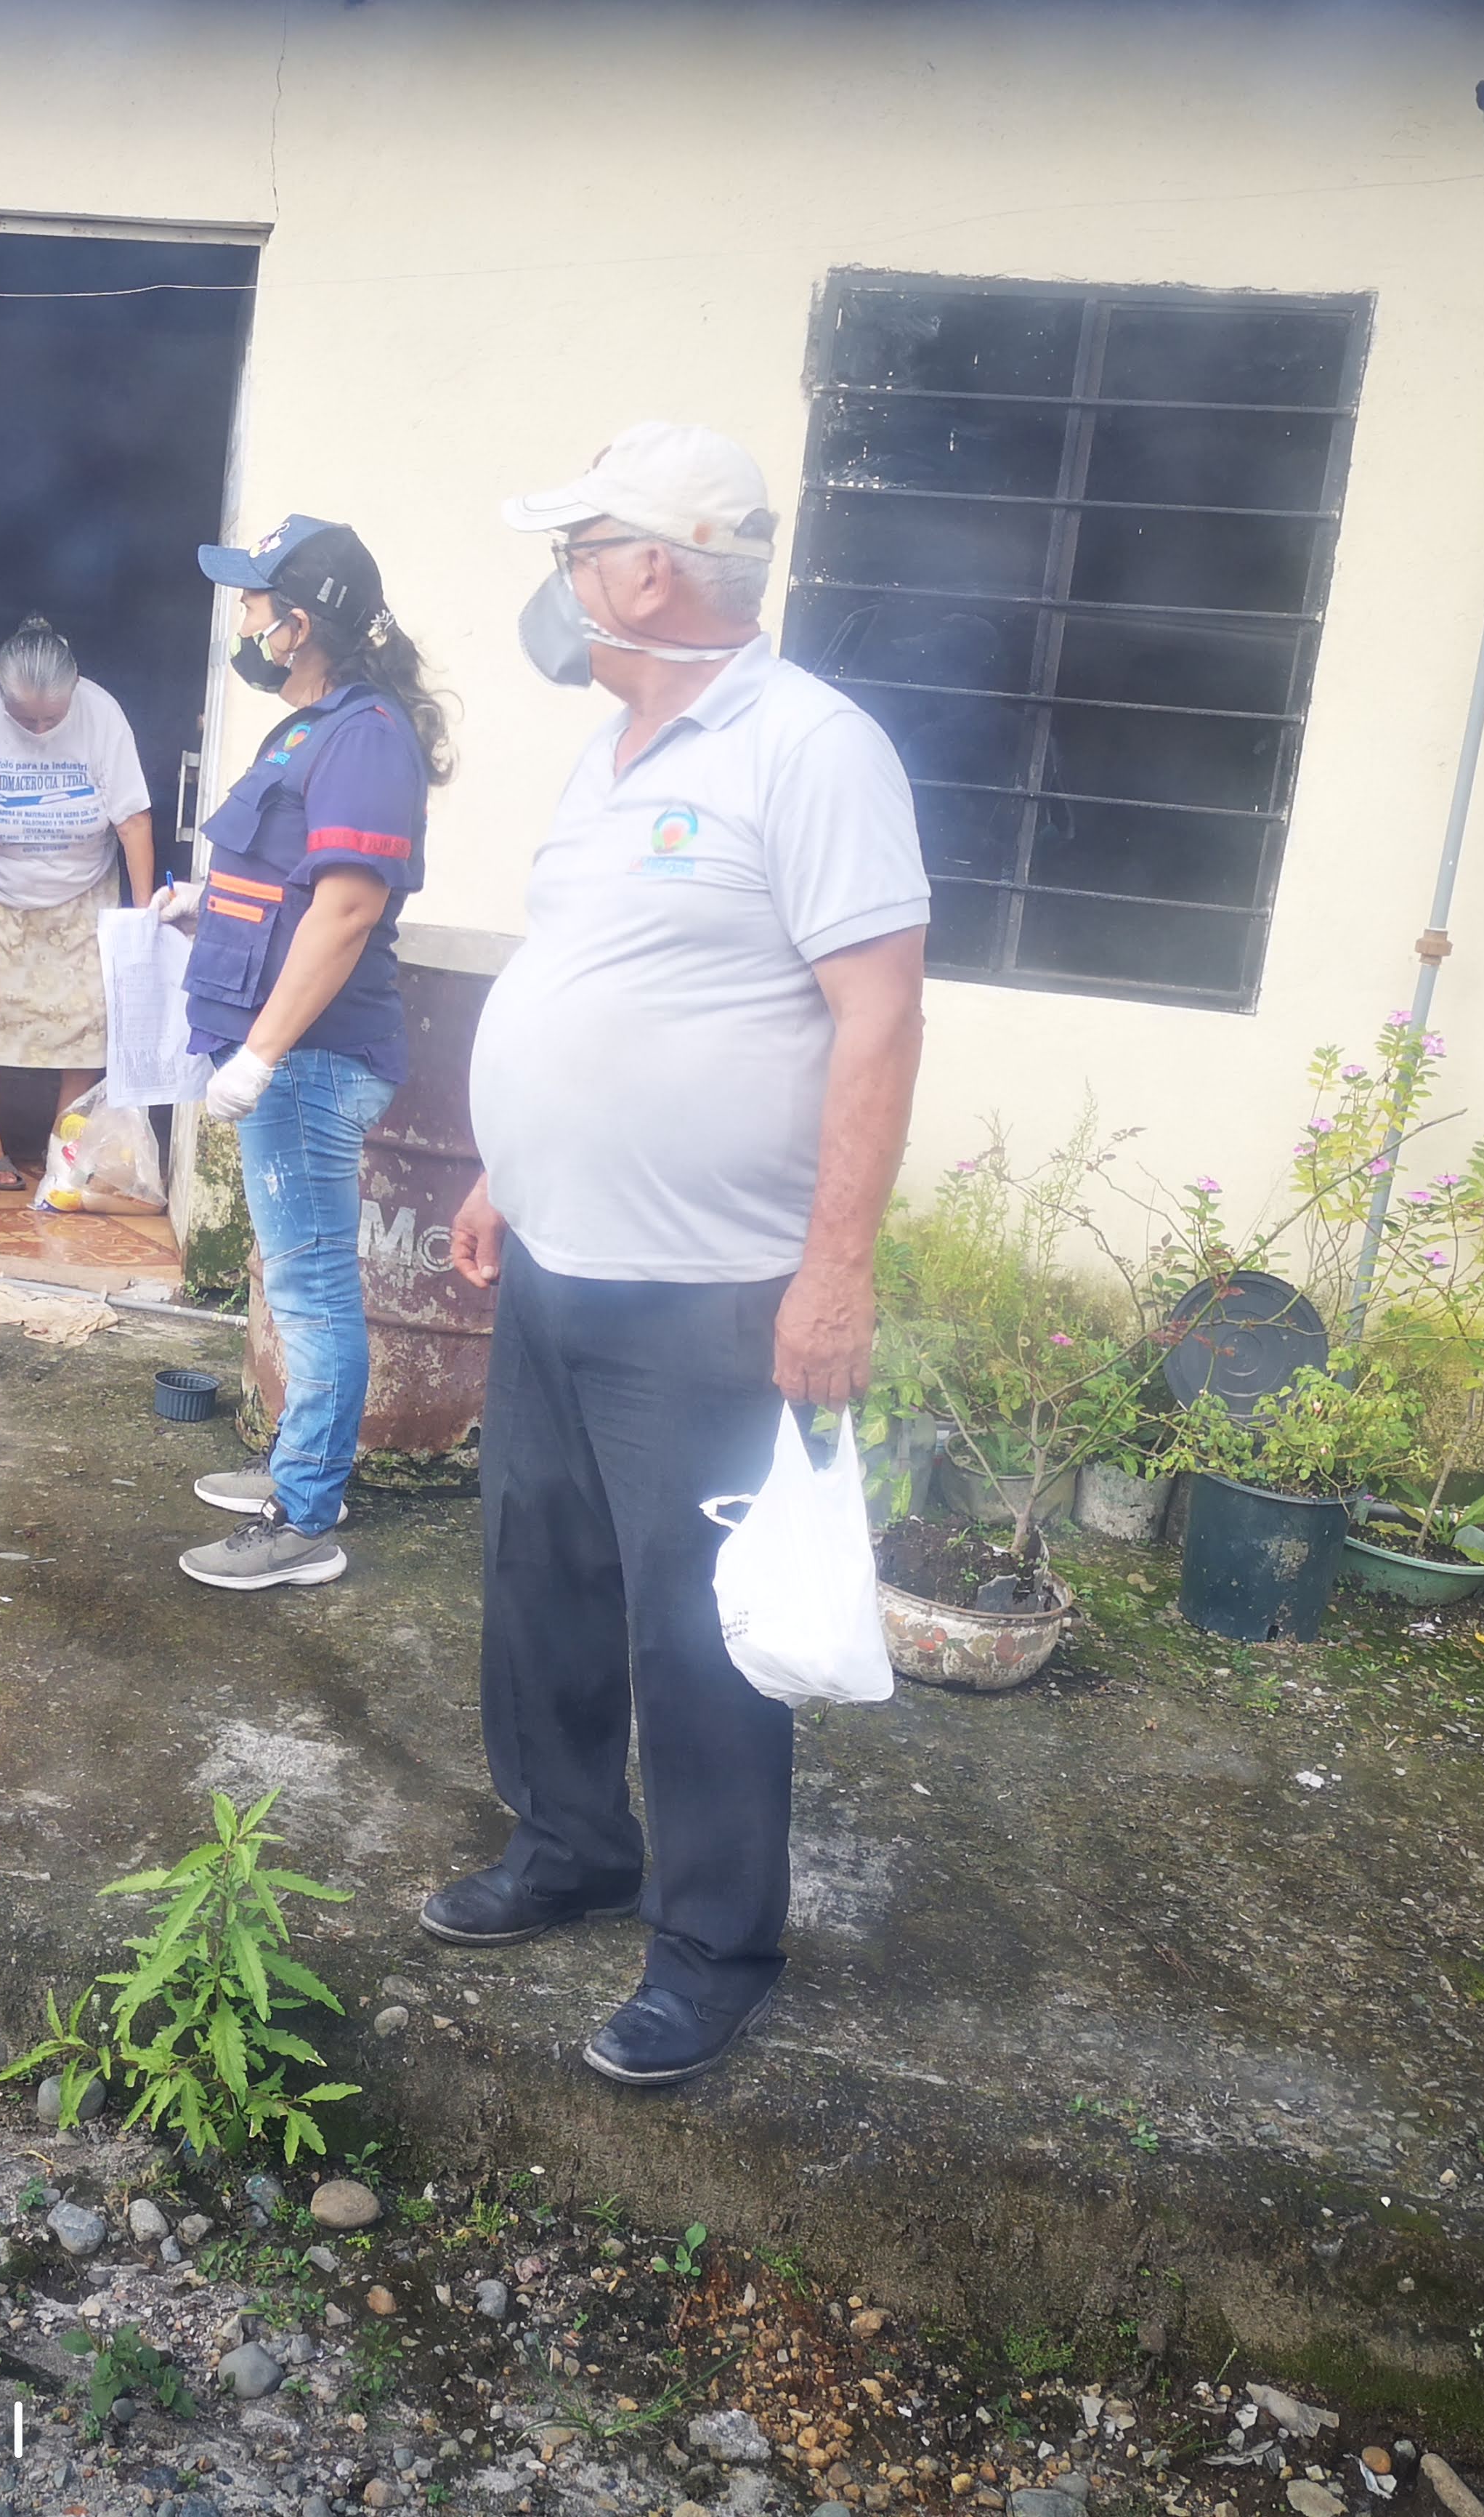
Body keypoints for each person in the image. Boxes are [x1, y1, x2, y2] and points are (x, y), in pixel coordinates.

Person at [431, 424, 929, 2087]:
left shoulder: (811, 748)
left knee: (699, 1630)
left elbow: (877, 1015)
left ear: (646, 570)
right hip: (555, 1258)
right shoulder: (609, 758)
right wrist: (508, 1165)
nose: (558, 585)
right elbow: (592, 974)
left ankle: (711, 1947)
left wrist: (833, 1275)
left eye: (573, 552)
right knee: (539, 1577)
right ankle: (568, 1842)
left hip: (706, 1290)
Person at [174, 517, 448, 1591]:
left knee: (315, 1287)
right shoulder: (310, 728)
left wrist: (261, 1054)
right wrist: (207, 906)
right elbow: (286, 881)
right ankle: (300, 1465)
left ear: (299, 622)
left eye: (253, 602)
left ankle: (303, 1517)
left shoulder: (365, 737)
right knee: (298, 1279)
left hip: (310, 1059)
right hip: (288, 1053)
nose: (241, 619)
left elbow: (345, 910)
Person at [0, 617, 155, 1190]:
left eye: (53, 717)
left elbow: (133, 821)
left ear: (76, 688)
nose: (41, 728)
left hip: (82, 889)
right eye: (26, 718)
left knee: (88, 1018)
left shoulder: (102, 715)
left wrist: (143, 922)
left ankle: (64, 1144)